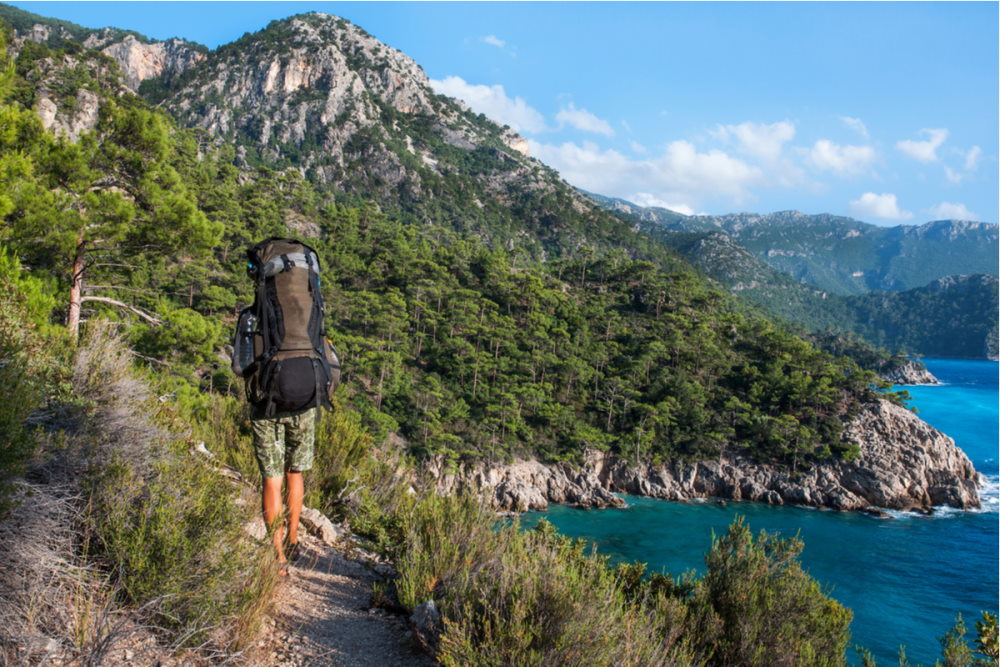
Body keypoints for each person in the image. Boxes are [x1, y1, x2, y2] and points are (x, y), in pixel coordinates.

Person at [250, 403, 318, 574]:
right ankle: (292, 538)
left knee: (272, 480)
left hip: (265, 408)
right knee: (294, 472)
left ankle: (278, 556)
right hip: (303, 406)